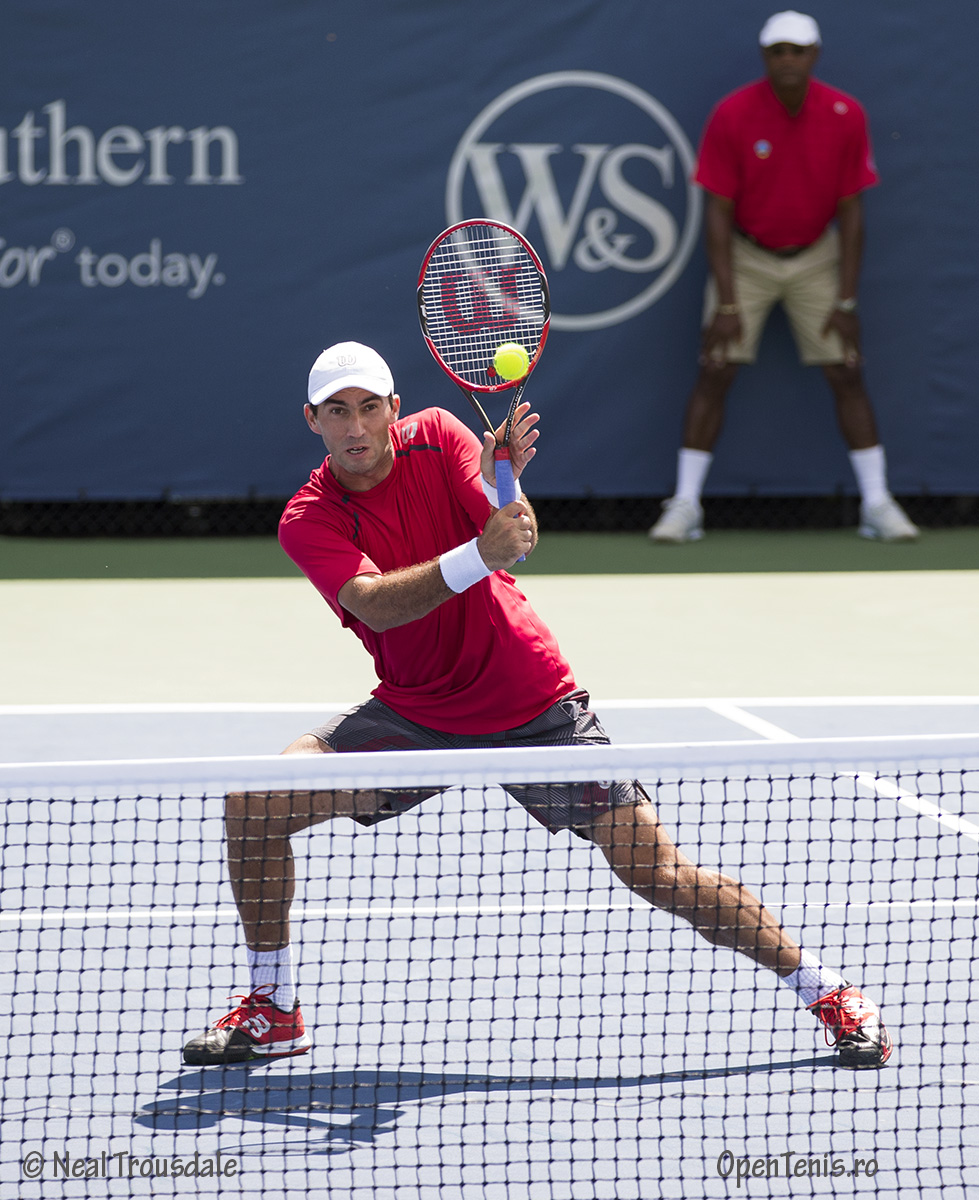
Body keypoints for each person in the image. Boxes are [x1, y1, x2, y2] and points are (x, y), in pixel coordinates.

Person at [182, 340, 892, 1070]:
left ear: (394, 410)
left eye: (369, 408)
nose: (355, 427)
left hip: (531, 704)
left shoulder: (439, 435)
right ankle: (274, 1009)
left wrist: (502, 488)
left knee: (659, 876)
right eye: (337, 413)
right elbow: (375, 606)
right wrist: (476, 555)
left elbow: (514, 537)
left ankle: (828, 992)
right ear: (312, 420)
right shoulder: (309, 516)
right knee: (254, 804)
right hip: (418, 714)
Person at [650, 10, 918, 544]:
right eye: (779, 51)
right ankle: (685, 505)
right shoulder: (733, 114)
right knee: (716, 369)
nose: (789, 59)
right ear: (765, 57)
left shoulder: (845, 113)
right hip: (747, 258)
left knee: (846, 371)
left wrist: (845, 299)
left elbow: (852, 212)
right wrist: (727, 305)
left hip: (818, 256)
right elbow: (719, 214)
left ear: (815, 55)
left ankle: (877, 503)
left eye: (798, 50)